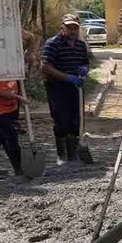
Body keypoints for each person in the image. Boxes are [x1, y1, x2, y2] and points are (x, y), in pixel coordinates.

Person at [41, 13, 92, 165]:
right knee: (61, 121)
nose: (72, 31)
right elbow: (45, 67)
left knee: (75, 122)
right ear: (62, 27)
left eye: (75, 28)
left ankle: (73, 155)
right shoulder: (53, 43)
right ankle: (61, 156)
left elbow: (86, 63)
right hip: (57, 88)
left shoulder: (80, 45)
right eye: (69, 27)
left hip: (75, 88)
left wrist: (84, 69)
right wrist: (66, 77)